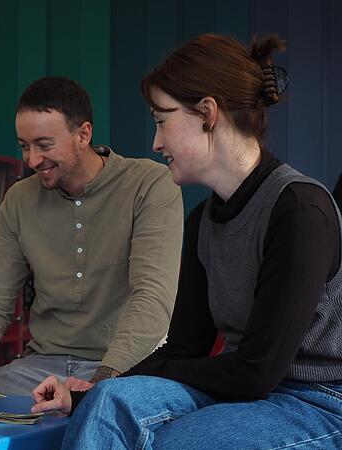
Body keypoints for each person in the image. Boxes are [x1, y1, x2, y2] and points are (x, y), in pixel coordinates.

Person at [31, 34, 342, 449]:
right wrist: (93, 390)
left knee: (181, 441)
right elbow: (183, 348)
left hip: (318, 400)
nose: (156, 142)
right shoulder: (203, 221)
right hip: (245, 389)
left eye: (162, 120)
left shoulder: (301, 210)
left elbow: (257, 371)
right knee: (107, 403)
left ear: (207, 113)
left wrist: (160, 377)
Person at [0, 77, 184, 397]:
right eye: (24, 146)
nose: (31, 160)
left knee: (95, 417)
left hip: (125, 366)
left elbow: (152, 298)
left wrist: (95, 387)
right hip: (39, 366)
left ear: (83, 134)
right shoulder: (18, 200)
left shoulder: (151, 184)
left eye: (44, 145)